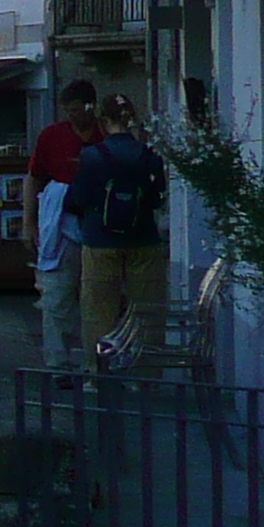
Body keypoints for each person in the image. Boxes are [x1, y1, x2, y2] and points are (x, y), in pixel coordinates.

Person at [70, 92, 171, 344]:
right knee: (147, 310)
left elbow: (77, 200)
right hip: (143, 239)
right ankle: (146, 375)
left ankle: (99, 375)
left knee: (98, 311)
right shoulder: (150, 156)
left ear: (103, 121)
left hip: (99, 241)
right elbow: (158, 199)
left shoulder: (91, 156)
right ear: (132, 119)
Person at [26, 78, 101, 366]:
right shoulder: (51, 136)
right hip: (60, 225)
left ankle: (95, 362)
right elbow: (34, 178)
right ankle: (57, 361)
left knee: (98, 299)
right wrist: (29, 223)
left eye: (76, 109)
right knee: (56, 296)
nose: (72, 116)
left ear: (90, 106)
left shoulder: (105, 133)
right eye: (67, 110)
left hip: (99, 226)